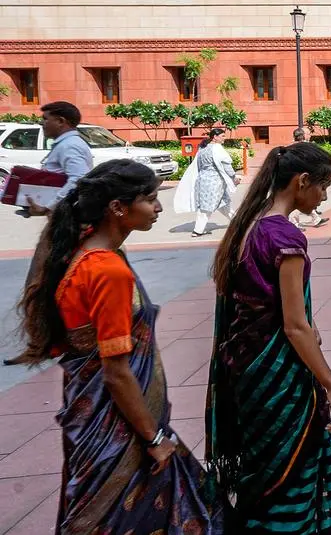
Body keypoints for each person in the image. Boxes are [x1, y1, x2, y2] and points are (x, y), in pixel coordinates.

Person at [13, 160, 226, 533]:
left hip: (95, 415)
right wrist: (154, 438)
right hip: (117, 424)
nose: (158, 207)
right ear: (117, 208)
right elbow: (116, 373)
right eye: (149, 199)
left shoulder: (83, 251)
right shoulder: (107, 270)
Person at [206, 143, 331, 533]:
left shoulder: (248, 223)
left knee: (264, 464)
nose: (325, 196)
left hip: (247, 370)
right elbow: (294, 324)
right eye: (323, 186)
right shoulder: (285, 237)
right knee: (292, 467)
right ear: (301, 182)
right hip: (279, 371)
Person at [27, 101, 93, 216]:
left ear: (60, 121)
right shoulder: (65, 144)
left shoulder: (69, 145)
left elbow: (79, 179)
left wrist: (49, 207)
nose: (42, 123)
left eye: (45, 119)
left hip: (68, 217)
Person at [175, 127, 241, 237]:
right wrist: (234, 177)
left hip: (203, 180)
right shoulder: (217, 148)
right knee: (207, 207)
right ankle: (198, 230)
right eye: (222, 136)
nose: (224, 138)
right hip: (214, 182)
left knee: (223, 203)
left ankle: (238, 222)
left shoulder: (203, 149)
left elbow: (199, 165)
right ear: (215, 137)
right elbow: (226, 165)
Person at [289, 128, 329, 228]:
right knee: (301, 199)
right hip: (301, 178)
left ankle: (315, 219)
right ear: (302, 135)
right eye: (308, 133)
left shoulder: (292, 147)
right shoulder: (302, 147)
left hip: (303, 177)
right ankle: (294, 223)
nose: (310, 135)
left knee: (306, 198)